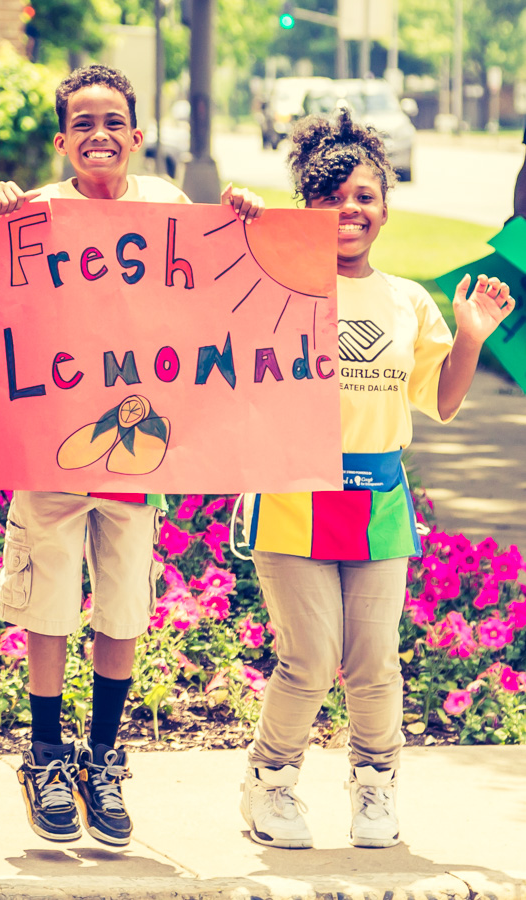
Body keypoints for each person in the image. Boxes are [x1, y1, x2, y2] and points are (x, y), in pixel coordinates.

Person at [0, 64, 263, 847]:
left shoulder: (169, 208)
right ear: (62, 140)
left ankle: (102, 755)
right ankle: (43, 753)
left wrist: (241, 219)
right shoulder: (32, 214)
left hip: (138, 458)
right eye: (82, 124)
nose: (98, 135)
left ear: (136, 135)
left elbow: (217, 292)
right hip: (52, 453)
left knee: (122, 606)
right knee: (47, 603)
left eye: (113, 122)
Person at [240, 107, 515, 850]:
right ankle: (269, 784)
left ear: (383, 207)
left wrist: (470, 336)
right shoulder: (274, 284)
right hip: (293, 495)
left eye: (362, 196)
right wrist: (245, 228)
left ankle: (374, 785)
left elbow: (444, 400)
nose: (348, 211)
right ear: (307, 209)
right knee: (306, 658)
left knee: (372, 662)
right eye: (329, 198)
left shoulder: (407, 300)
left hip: (377, 501)